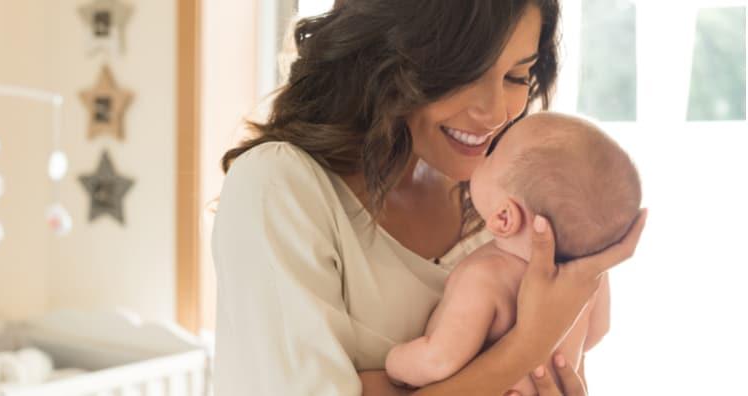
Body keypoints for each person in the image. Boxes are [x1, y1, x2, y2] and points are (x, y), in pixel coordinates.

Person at [212, 1, 648, 395]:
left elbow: (559, 370)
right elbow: (529, 358)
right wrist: (525, 348)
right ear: (385, 54)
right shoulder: (281, 186)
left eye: (517, 76)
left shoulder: (508, 209)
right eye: (465, 74)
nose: (496, 113)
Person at [384, 112, 642, 395]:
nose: (483, 154)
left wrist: (394, 365)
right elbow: (597, 332)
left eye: (492, 155)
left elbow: (438, 360)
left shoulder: (486, 278)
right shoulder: (586, 285)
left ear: (504, 218)